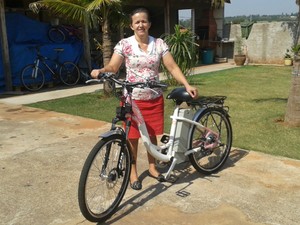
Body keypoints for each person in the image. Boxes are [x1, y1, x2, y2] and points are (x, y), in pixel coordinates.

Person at [91, 7, 198, 190]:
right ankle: (133, 172)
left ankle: (152, 167)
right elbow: (113, 66)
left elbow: (172, 67)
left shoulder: (159, 44)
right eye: (137, 22)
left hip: (154, 97)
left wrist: (187, 84)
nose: (141, 24)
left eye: (144, 21)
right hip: (132, 99)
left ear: (149, 24)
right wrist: (102, 71)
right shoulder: (124, 44)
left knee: (152, 136)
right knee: (132, 137)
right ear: (131, 25)